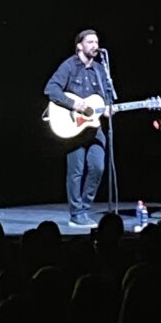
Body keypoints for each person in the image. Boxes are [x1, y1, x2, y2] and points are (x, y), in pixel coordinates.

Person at [44, 28, 110, 229]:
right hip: (73, 127)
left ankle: (84, 208)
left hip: (94, 127)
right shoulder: (69, 66)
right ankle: (76, 214)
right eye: (90, 42)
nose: (95, 46)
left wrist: (108, 108)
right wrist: (74, 105)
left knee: (98, 167)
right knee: (76, 171)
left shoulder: (100, 69)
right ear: (79, 46)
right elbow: (51, 89)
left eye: (96, 42)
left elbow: (106, 96)